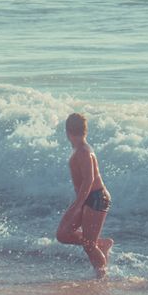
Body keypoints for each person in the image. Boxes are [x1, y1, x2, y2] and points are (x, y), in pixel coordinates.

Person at [56, 113, 113, 276]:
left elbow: (89, 180)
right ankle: (101, 244)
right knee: (63, 234)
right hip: (87, 197)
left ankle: (102, 276)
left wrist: (77, 206)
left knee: (88, 245)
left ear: (67, 132)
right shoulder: (79, 149)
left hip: (96, 198)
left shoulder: (82, 151)